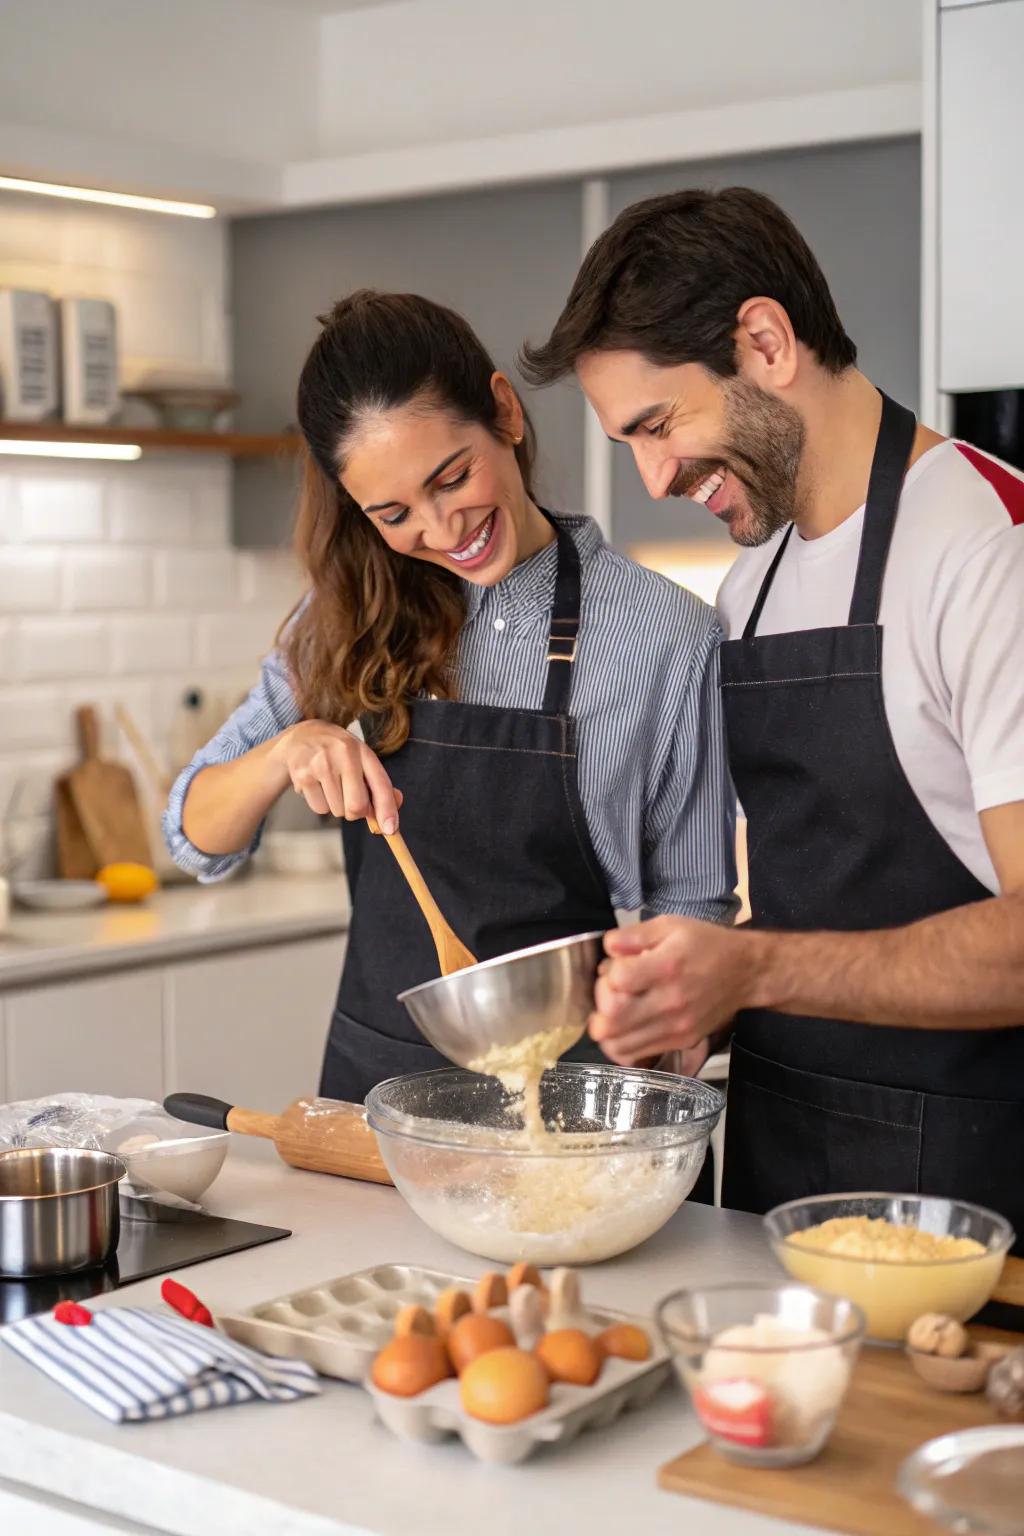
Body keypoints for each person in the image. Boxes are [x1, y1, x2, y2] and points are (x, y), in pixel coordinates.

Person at [521, 188, 1024, 1237]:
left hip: (973, 1195)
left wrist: (751, 968)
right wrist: (695, 1004)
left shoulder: (989, 546)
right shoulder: (750, 587)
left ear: (763, 341)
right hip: (776, 1168)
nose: (654, 476)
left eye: (658, 425)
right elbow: (831, 898)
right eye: (629, 444)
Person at [164, 290, 737, 1104]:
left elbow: (692, 900)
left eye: (452, 476)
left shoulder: (668, 633)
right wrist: (287, 751)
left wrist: (677, 1032)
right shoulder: (345, 619)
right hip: (382, 1096)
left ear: (504, 412)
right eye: (394, 513)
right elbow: (191, 833)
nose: (440, 529)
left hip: (585, 1097)